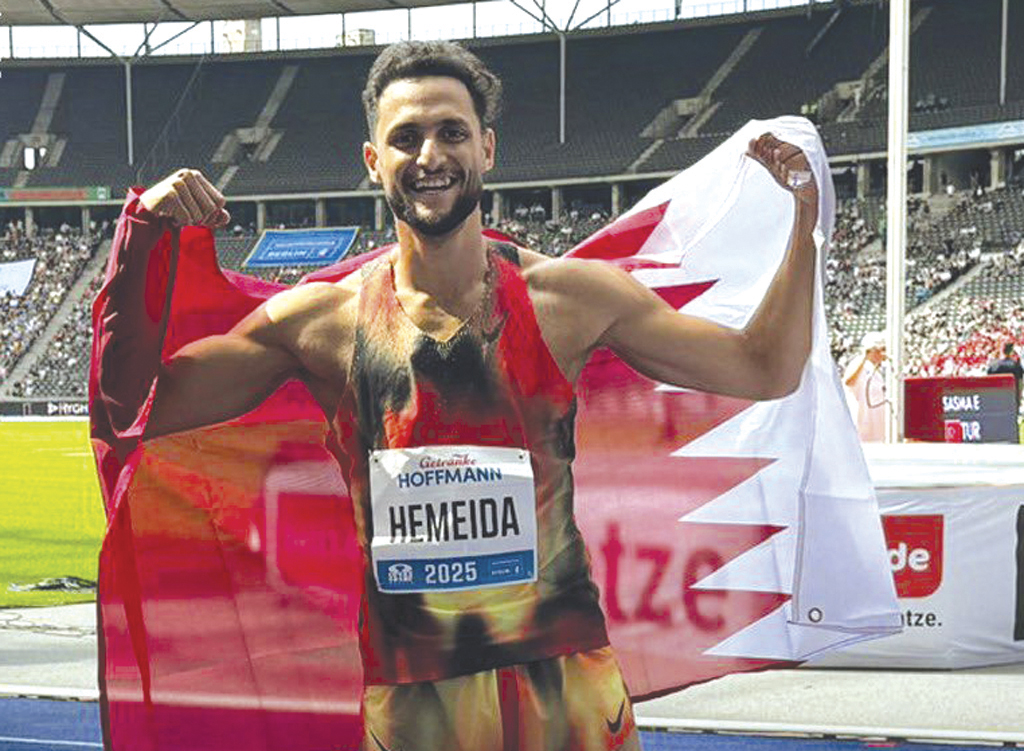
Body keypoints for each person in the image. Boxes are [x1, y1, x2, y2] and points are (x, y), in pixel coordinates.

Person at [96, 40, 819, 751]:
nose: (430, 155)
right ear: (374, 161)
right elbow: (135, 408)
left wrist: (805, 228)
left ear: (488, 148)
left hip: (566, 688)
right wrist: (142, 234)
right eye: (405, 137)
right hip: (418, 700)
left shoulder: (568, 300)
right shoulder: (321, 322)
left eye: (452, 132)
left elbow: (763, 369)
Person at [843, 331, 886, 442]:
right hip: (862, 420)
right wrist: (864, 358)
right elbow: (848, 381)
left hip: (878, 422)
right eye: (878, 351)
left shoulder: (881, 369)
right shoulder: (858, 364)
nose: (882, 354)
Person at [986, 340, 1024, 409]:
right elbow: (1020, 384)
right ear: (1011, 351)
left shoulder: (993, 365)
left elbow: (988, 385)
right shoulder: (1016, 366)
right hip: (1012, 400)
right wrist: (1019, 401)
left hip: (996, 400)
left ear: (1001, 350)